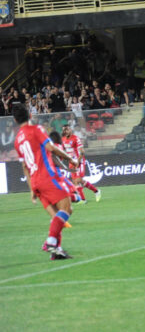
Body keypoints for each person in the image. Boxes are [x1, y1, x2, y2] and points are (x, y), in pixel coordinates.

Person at [13, 104, 78, 260]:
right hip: (47, 176)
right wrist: (70, 159)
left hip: (35, 182)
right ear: (29, 114)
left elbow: (24, 166)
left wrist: (31, 190)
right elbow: (51, 148)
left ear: (15, 120)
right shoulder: (36, 129)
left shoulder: (17, 141)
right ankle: (50, 242)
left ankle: (57, 251)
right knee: (67, 208)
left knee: (56, 215)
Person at [62, 125, 101, 202]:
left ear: (70, 130)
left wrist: (78, 162)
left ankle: (84, 199)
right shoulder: (63, 139)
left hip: (79, 161)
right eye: (64, 130)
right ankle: (95, 192)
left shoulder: (75, 138)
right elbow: (64, 150)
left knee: (78, 180)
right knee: (76, 181)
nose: (65, 131)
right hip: (71, 161)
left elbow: (82, 151)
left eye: (67, 129)